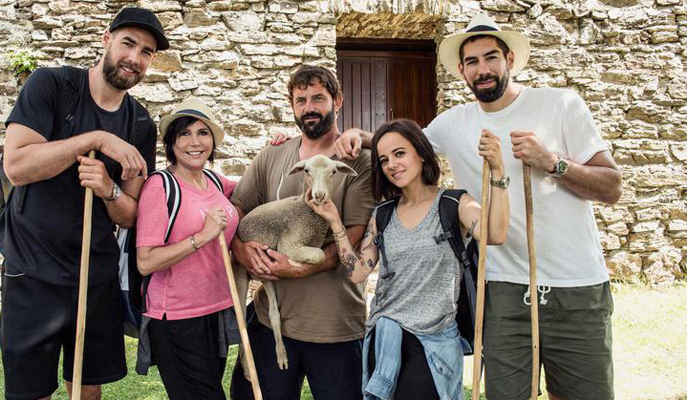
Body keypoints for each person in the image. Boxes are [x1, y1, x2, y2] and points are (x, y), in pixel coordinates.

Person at [335, 13, 622, 400]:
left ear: (510, 61)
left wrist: (551, 162)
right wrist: (355, 135)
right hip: (501, 289)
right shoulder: (453, 123)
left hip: (576, 286)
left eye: (491, 57)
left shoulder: (560, 105)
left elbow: (612, 187)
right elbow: (402, 147)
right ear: (461, 70)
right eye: (472, 62)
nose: (482, 69)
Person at [0, 7, 169, 400]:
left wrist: (108, 190)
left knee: (86, 388)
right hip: (32, 267)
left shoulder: (139, 124)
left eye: (147, 52)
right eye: (128, 43)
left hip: (94, 272)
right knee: (29, 390)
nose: (135, 58)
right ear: (106, 39)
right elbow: (17, 166)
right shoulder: (51, 85)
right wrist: (94, 141)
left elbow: (132, 212)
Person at [308, 118, 509, 400]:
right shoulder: (384, 214)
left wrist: (498, 170)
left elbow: (496, 233)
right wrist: (334, 220)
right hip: (386, 338)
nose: (391, 164)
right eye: (384, 159)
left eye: (399, 153)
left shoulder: (454, 204)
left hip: (432, 342)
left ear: (421, 153)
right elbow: (357, 272)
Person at [229, 64, 374, 400]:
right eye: (301, 99)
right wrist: (240, 249)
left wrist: (300, 268)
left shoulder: (357, 160)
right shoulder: (272, 155)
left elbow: (356, 231)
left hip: (335, 326)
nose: (309, 106)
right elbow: (236, 209)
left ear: (337, 101)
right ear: (292, 104)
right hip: (271, 322)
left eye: (318, 98)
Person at [135, 98, 238, 400]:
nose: (195, 142)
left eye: (203, 133)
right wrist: (201, 237)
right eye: (185, 134)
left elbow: (256, 183)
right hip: (176, 317)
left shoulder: (215, 182)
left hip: (215, 310)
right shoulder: (160, 187)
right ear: (171, 143)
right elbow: (145, 261)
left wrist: (277, 147)